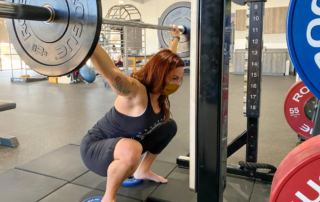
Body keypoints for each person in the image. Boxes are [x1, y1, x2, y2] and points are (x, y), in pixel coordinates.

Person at [80, 25, 184, 202]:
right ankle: (108, 198)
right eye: (175, 78)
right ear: (160, 74)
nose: (178, 83)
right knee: (132, 149)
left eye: (180, 79)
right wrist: (88, 36)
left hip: (125, 146)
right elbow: (111, 72)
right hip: (96, 150)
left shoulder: (159, 93)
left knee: (169, 126)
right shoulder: (136, 92)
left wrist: (176, 38)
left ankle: (143, 170)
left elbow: (166, 60)